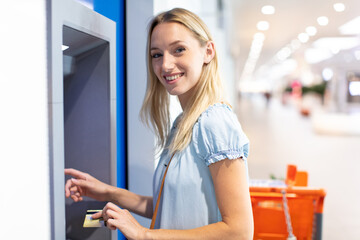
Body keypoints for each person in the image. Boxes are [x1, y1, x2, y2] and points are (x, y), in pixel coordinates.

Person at [65, 8, 253, 239]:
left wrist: (144, 234)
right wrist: (107, 192)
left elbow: (239, 231)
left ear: (208, 51)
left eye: (179, 50)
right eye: (157, 54)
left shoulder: (215, 121)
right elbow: (171, 207)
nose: (165, 65)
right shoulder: (184, 123)